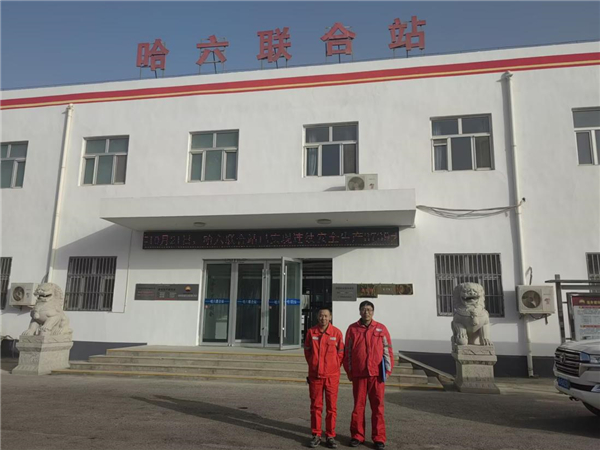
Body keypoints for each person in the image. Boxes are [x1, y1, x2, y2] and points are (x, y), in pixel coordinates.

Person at [343, 301, 393, 450]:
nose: (366, 312)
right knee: (358, 407)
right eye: (364, 309)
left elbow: (388, 350)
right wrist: (349, 371)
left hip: (376, 375)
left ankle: (379, 438)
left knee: (378, 407)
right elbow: (348, 352)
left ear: (373, 312)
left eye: (369, 310)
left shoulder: (381, 328)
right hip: (359, 374)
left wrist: (388, 370)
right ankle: (357, 436)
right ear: (359, 312)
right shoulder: (352, 329)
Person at [304, 308, 344, 449]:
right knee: (316, 407)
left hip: (332, 377)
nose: (323, 318)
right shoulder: (311, 332)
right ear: (317, 317)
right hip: (315, 376)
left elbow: (341, 353)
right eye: (321, 316)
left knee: (331, 408)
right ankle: (316, 435)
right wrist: (314, 364)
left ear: (330, 317)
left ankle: (330, 436)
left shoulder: (336, 333)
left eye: (326, 316)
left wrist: (334, 366)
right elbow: (307, 352)